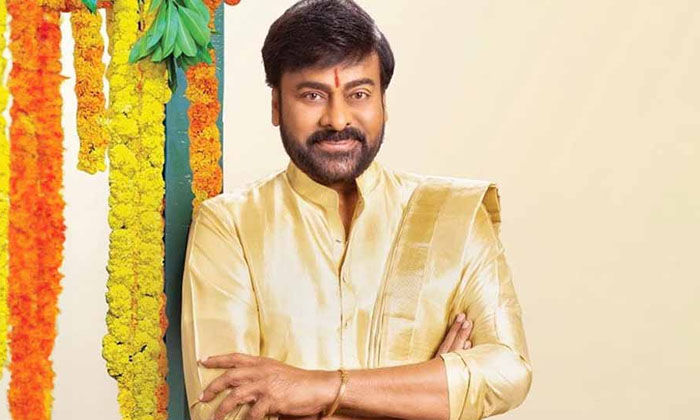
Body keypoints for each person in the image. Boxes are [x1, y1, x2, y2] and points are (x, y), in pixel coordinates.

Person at [180, 1, 532, 419]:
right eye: (313, 95)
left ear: (383, 101)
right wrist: (424, 393)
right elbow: (224, 409)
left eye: (359, 94)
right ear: (276, 105)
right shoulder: (229, 226)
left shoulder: (456, 214)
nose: (337, 119)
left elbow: (507, 372)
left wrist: (317, 388)